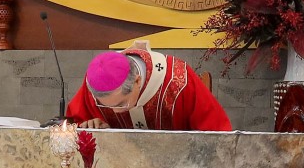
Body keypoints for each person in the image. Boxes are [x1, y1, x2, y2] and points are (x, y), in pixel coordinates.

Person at [66, 48, 231, 130]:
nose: (115, 112)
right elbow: (73, 128)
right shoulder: (97, 80)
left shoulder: (178, 80)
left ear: (137, 81)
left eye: (121, 104)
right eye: (105, 105)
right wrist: (91, 128)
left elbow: (215, 134)